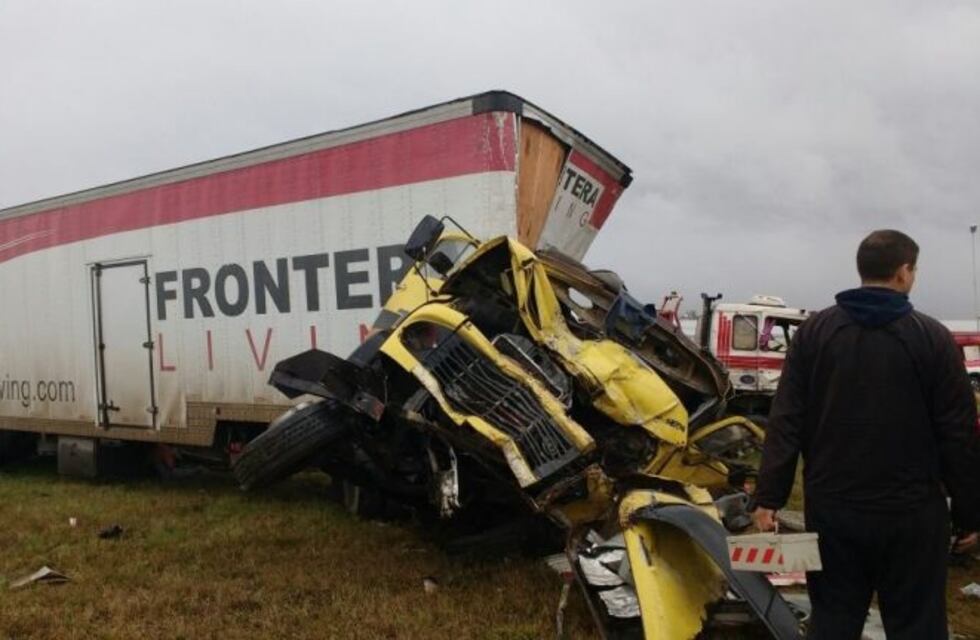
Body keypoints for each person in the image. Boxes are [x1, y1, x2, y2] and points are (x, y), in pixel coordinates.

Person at [752, 229, 980, 639]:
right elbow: (958, 434)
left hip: (833, 511)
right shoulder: (934, 339)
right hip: (911, 515)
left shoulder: (814, 334)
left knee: (834, 620)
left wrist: (769, 497)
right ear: (903, 272)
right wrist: (969, 513)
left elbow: (786, 420)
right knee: (917, 626)